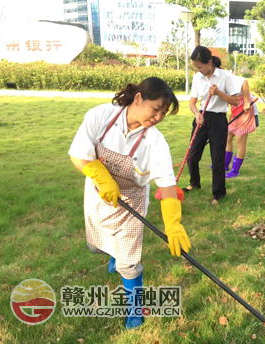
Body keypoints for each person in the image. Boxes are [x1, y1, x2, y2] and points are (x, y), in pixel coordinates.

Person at [68, 77, 191, 329]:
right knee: (94, 246)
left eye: (163, 114)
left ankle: (135, 309)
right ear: (138, 99)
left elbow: (167, 185)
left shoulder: (155, 143)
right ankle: (113, 253)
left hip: (132, 202)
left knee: (128, 263)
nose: (157, 117)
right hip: (99, 192)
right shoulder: (101, 115)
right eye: (155, 109)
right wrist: (102, 178)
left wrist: (173, 224)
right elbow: (78, 154)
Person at [183, 46, 240, 204]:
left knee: (217, 159)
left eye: (200, 66)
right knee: (192, 156)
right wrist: (197, 114)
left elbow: (236, 101)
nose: (199, 70)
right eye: (196, 67)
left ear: (209, 62)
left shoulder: (225, 77)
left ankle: (219, 193)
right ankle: (194, 183)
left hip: (218, 120)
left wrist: (219, 93)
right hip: (201, 118)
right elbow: (193, 103)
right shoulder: (197, 78)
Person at [224, 76, 259, 178]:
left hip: (245, 109)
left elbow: (244, 82)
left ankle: (235, 170)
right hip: (235, 109)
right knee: (228, 138)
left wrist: (247, 102)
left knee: (240, 140)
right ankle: (225, 165)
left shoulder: (227, 77)